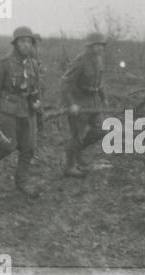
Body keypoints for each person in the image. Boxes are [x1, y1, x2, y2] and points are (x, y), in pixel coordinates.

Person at [0, 26, 42, 198]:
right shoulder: (5, 63)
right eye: (22, 41)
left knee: (28, 148)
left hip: (28, 111)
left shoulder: (34, 64)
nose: (26, 45)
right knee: (7, 146)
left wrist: (38, 108)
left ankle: (21, 182)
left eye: (29, 41)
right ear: (15, 44)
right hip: (8, 111)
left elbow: (37, 89)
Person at [60, 32, 109, 178]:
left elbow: (100, 82)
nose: (100, 48)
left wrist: (103, 97)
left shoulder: (99, 61)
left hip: (93, 101)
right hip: (79, 101)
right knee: (76, 136)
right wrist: (71, 104)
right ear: (89, 46)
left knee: (100, 130)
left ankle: (76, 153)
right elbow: (65, 84)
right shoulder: (80, 61)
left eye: (101, 45)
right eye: (96, 45)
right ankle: (69, 167)